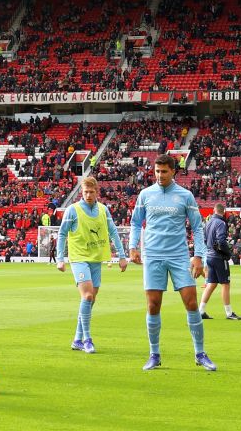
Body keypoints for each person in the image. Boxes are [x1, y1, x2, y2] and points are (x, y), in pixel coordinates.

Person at [129, 154, 216, 372]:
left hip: (178, 256)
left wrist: (198, 256)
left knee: (191, 303)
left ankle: (200, 353)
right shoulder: (145, 194)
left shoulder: (185, 196)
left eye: (164, 171)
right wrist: (132, 247)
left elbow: (197, 227)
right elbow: (135, 222)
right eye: (157, 171)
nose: (160, 175)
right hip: (153, 256)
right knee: (152, 305)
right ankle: (154, 354)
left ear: (173, 171)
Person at [56, 176, 128, 353]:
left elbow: (113, 232)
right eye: (85, 191)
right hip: (79, 258)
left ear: (97, 192)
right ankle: (87, 339)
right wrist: (59, 259)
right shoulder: (72, 210)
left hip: (96, 258)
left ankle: (77, 339)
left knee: (90, 300)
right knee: (87, 296)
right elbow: (62, 234)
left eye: (91, 192)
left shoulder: (103, 210)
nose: (88, 195)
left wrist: (122, 255)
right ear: (82, 192)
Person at [198, 203, 241, 321]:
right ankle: (229, 313)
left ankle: (201, 311)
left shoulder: (209, 222)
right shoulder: (221, 223)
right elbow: (221, 240)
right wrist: (227, 253)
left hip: (209, 256)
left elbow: (205, 239)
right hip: (218, 257)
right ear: (223, 211)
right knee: (225, 284)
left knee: (211, 283)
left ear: (214, 210)